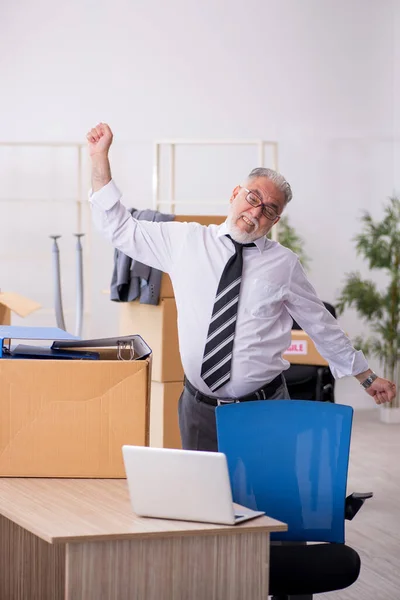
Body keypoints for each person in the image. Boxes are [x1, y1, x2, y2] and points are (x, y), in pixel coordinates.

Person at [87, 122, 397, 452]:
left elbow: (321, 325)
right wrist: (99, 158)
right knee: (202, 498)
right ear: (235, 194)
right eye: (253, 198)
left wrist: (365, 376)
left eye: (269, 209)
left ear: (275, 221)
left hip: (265, 407)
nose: (256, 211)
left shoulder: (284, 264)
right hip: (198, 408)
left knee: (268, 499)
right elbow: (118, 228)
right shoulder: (186, 241)